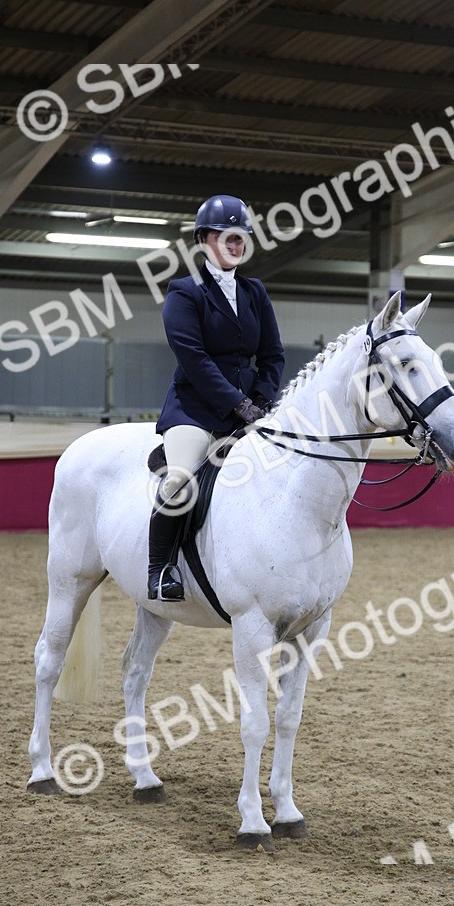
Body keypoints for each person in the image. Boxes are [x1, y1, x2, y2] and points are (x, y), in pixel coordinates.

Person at [148, 194, 285, 601]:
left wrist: (259, 399)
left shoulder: (255, 291)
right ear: (205, 240)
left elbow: (273, 354)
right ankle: (160, 569)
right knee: (179, 482)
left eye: (240, 236)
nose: (235, 243)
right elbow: (194, 359)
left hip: (248, 414)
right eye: (225, 236)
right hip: (195, 412)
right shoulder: (184, 292)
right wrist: (236, 404)